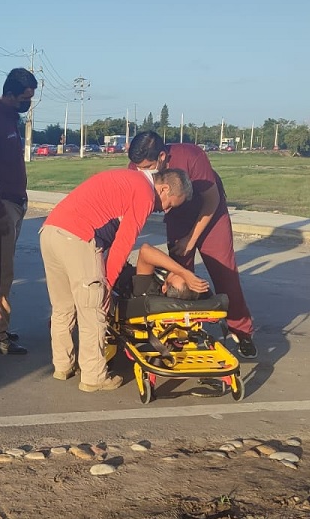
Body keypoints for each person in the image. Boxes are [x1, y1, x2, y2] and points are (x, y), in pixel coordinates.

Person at [40, 167, 196, 392]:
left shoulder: (127, 178)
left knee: (63, 307)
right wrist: (107, 285)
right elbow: (123, 244)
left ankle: (63, 365)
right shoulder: (144, 194)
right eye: (170, 203)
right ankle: (94, 377)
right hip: (79, 236)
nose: (165, 210)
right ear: (164, 189)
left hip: (51, 231)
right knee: (93, 310)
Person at [128, 133, 258, 359]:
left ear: (162, 157)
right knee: (179, 275)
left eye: (147, 167)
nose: (142, 172)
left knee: (224, 273)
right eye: (138, 168)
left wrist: (191, 239)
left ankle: (241, 330)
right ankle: (182, 330)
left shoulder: (192, 156)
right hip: (177, 214)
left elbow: (212, 200)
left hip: (209, 214)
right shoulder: (136, 168)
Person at [0, 67, 38, 355]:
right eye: (25, 98)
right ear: (10, 94)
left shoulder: (11, 117)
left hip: (15, 202)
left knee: (6, 272)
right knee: (0, 272)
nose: (28, 103)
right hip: (1, 206)